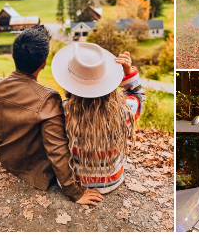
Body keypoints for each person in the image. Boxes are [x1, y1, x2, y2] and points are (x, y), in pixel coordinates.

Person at [0, 25, 103, 205]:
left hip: (4, 158)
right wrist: (75, 193)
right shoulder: (47, 99)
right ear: (44, 63)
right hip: (33, 171)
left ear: (13, 56)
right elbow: (56, 149)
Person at [51, 43, 146, 194]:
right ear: (108, 81)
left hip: (76, 182)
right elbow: (139, 97)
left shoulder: (61, 111)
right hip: (112, 181)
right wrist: (128, 72)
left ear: (69, 83)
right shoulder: (126, 109)